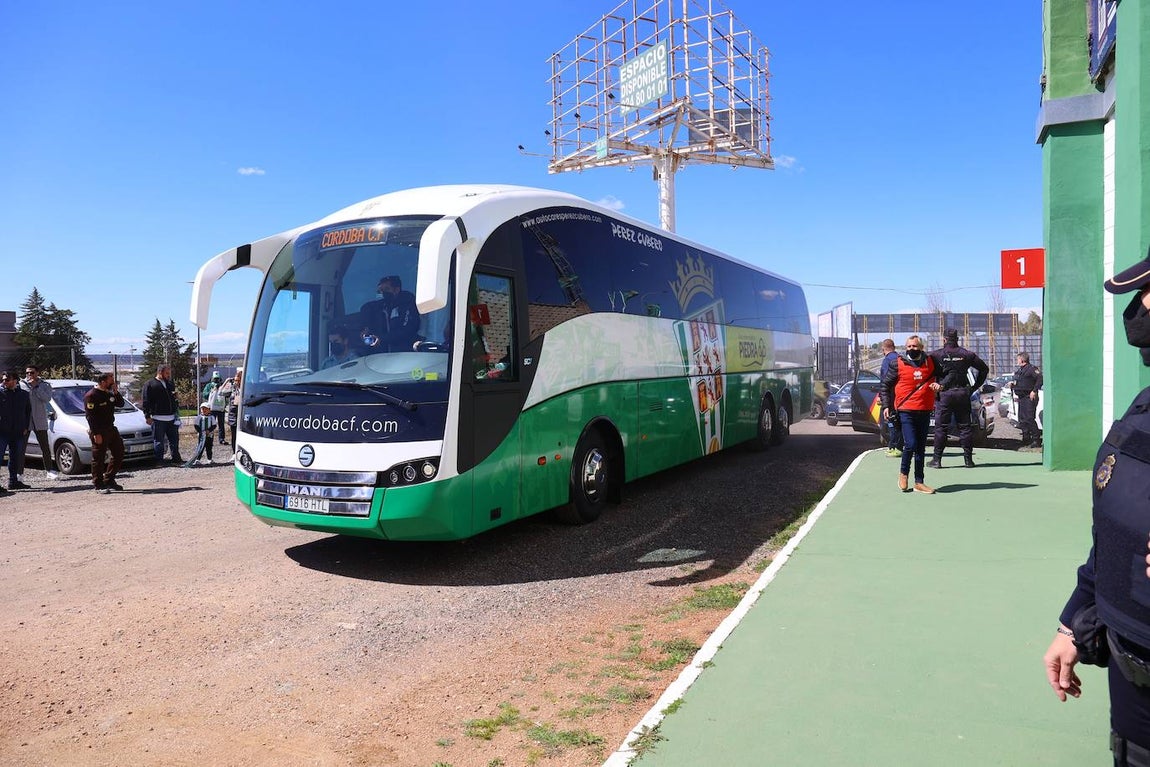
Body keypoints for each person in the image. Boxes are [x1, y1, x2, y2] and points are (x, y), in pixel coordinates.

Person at [1043, 256, 1150, 763]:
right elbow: (1112, 529)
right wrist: (1075, 622)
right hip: (1132, 666)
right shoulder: (1142, 408)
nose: (1141, 309)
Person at [879, 335, 941, 494]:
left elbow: (946, 374)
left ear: (921, 348)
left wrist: (940, 385)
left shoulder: (931, 362)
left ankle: (919, 482)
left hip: (925, 410)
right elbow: (885, 385)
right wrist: (886, 405)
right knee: (911, 444)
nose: (911, 349)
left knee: (921, 447)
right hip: (905, 410)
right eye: (909, 347)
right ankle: (903, 473)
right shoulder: (897, 363)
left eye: (915, 346)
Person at [927, 328, 990, 469]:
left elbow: (925, 371)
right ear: (957, 339)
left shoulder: (936, 355)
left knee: (941, 428)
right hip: (962, 393)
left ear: (944, 339)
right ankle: (968, 460)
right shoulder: (967, 355)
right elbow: (984, 369)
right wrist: (974, 387)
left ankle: (937, 460)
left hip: (944, 395)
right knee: (965, 428)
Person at [83, 372, 126, 493]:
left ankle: (109, 479)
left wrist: (116, 392)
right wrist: (96, 433)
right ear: (103, 382)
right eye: (110, 380)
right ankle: (98, 484)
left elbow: (120, 404)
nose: (113, 382)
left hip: (110, 428)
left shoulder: (109, 393)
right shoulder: (92, 395)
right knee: (99, 458)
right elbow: (90, 417)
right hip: (99, 430)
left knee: (119, 452)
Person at [18, 364, 58, 480]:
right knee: (21, 448)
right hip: (25, 421)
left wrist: (36, 387)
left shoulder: (44, 385)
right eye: (27, 373)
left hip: (39, 420)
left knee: (45, 447)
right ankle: (19, 473)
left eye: (32, 372)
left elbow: (47, 399)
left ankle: (49, 470)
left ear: (37, 373)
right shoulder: (21, 385)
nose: (29, 375)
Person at [141, 364, 183, 462]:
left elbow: (172, 398)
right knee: (159, 442)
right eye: (167, 373)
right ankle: (159, 461)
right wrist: (147, 416)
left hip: (172, 418)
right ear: (160, 372)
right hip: (158, 419)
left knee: (174, 441)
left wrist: (175, 398)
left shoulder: (169, 383)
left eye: (169, 373)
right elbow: (145, 401)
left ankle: (176, 459)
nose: (169, 375)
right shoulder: (150, 384)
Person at [0, 370, 32, 493]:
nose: (4, 382)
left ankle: (13, 481)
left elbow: (28, 411)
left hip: (18, 431)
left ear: (15, 381)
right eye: (3, 380)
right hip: (2, 431)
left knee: (15, 457)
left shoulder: (23, 394)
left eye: (7, 380)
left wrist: (25, 427)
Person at [878, 338, 903, 457]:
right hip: (902, 395)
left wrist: (881, 396)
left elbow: (885, 381)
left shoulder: (887, 361)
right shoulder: (900, 359)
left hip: (891, 396)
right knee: (900, 422)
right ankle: (898, 446)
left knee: (891, 421)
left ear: (883, 349)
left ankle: (893, 447)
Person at [1014, 351, 1044, 450]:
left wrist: (1034, 391)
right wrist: (1013, 385)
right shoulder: (1020, 370)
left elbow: (1040, 378)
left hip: (1029, 397)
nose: (1017, 361)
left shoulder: (1032, 369)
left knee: (1029, 418)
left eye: (1018, 359)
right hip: (1021, 397)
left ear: (1022, 359)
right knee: (1022, 419)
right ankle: (1026, 438)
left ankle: (1036, 439)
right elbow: (1019, 381)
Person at [184, 402, 216, 467]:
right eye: (202, 409)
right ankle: (197, 459)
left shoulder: (212, 417)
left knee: (209, 447)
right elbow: (196, 425)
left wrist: (209, 430)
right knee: (200, 447)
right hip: (202, 436)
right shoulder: (199, 417)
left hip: (210, 435)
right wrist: (200, 431)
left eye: (205, 409)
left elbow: (214, 425)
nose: (203, 410)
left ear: (209, 409)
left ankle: (209, 459)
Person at [202, 371, 229, 445]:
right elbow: (204, 395)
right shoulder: (209, 386)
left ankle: (221, 439)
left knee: (221, 425)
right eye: (215, 379)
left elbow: (226, 395)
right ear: (212, 378)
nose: (216, 381)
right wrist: (212, 390)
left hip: (220, 408)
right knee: (211, 424)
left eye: (217, 379)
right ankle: (209, 439)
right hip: (212, 408)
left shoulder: (222, 385)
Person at [224, 366, 243, 450]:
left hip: (241, 415)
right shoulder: (232, 389)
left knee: (241, 436)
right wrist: (226, 382)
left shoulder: (244, 389)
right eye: (235, 380)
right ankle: (234, 453)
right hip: (233, 415)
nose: (236, 382)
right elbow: (221, 393)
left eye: (238, 380)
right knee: (234, 436)